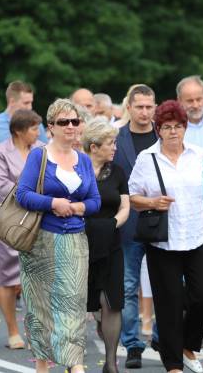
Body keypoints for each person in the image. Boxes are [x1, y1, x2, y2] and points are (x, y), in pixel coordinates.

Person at [128, 100, 203, 373]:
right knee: (169, 304)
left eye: (178, 126)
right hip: (163, 240)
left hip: (199, 234)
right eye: (167, 127)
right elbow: (133, 198)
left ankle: (189, 345)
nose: (173, 132)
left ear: (185, 128)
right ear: (158, 130)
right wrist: (153, 203)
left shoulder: (200, 155)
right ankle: (173, 363)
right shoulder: (147, 158)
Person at [16, 98, 101, 373]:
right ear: (50, 127)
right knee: (40, 305)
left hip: (75, 238)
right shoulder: (39, 156)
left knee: (74, 302)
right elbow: (23, 194)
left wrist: (78, 207)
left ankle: (75, 364)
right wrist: (53, 203)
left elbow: (96, 201)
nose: (70, 127)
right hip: (41, 239)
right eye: (63, 122)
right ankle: (42, 364)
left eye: (75, 121)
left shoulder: (85, 160)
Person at [112, 84, 160, 369]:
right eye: (139, 106)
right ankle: (132, 343)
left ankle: (160, 336)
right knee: (129, 285)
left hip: (162, 221)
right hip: (127, 222)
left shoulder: (165, 134)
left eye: (149, 106)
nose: (144, 112)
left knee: (165, 283)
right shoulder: (117, 138)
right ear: (128, 107)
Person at [0, 109, 44, 349]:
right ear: (19, 131)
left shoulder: (43, 149)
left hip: (39, 219)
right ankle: (12, 330)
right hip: (9, 219)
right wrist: (32, 193)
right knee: (7, 275)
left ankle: (36, 330)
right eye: (33, 128)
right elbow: (1, 185)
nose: (38, 132)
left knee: (37, 275)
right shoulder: (0, 151)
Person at [82, 118, 130, 373]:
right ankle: (74, 361)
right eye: (110, 143)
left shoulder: (118, 171)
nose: (114, 147)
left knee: (111, 301)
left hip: (110, 242)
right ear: (94, 146)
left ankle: (111, 363)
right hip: (79, 243)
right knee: (80, 301)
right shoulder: (76, 169)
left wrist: (112, 224)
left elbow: (125, 205)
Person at [0, 81, 47, 146]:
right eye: (26, 103)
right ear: (12, 101)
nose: (30, 107)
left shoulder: (36, 124)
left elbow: (45, 154)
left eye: (31, 102)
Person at [177, 75, 203, 150]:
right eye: (190, 101)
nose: (195, 105)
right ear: (179, 101)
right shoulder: (173, 126)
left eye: (199, 99)